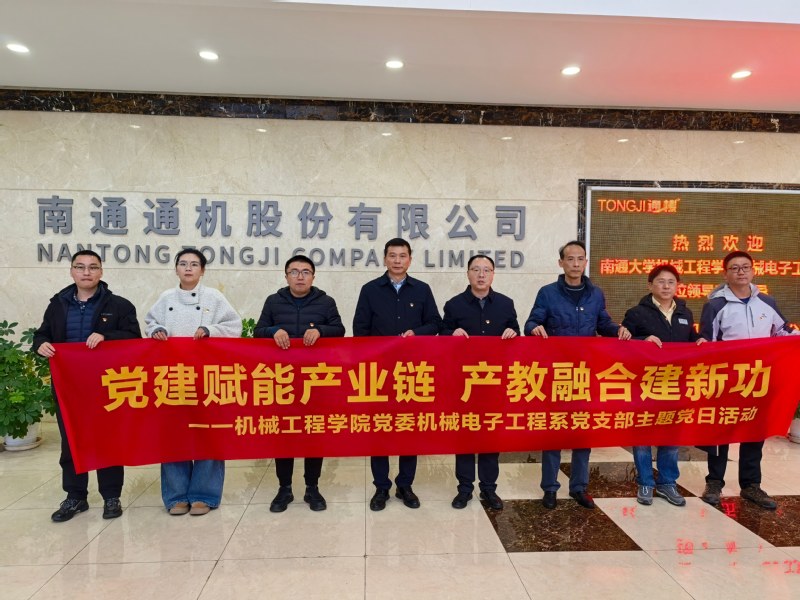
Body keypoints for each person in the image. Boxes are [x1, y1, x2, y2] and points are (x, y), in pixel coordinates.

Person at [32, 250, 141, 522]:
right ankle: (75, 496)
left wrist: (106, 336)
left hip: (108, 385)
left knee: (108, 439)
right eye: (80, 267)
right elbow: (42, 334)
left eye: (93, 267)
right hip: (69, 386)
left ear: (101, 272)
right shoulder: (58, 305)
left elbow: (134, 339)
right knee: (71, 440)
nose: (86, 272)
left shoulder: (120, 305)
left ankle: (111, 496)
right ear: (72, 271)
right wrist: (40, 344)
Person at [524, 240, 631, 510]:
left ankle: (579, 487)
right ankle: (550, 488)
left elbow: (603, 323)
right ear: (561, 263)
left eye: (580, 259)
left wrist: (618, 330)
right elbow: (531, 321)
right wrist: (534, 327)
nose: (575, 263)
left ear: (585, 262)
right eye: (570, 259)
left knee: (582, 431)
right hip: (557, 374)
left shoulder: (596, 294)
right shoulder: (547, 293)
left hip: (585, 373)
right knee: (554, 431)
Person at [145, 249, 242, 516]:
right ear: (176, 269)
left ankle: (204, 495)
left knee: (208, 433)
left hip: (207, 376)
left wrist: (212, 330)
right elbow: (150, 322)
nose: (188, 268)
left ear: (203, 270)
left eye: (194, 264)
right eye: (183, 264)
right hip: (173, 376)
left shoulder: (214, 297)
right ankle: (176, 496)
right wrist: (156, 330)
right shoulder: (166, 297)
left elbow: (234, 327)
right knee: (173, 435)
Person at [699, 250, 797, 510]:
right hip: (726, 379)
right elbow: (707, 342)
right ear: (725, 274)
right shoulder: (715, 305)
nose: (740, 272)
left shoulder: (767, 302)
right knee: (720, 429)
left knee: (754, 430)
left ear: (753, 271)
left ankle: (751, 484)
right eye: (734, 268)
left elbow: (783, 332)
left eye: (745, 267)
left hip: (758, 379)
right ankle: (714, 482)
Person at [353, 238, 442, 511]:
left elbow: (435, 323)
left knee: (408, 428)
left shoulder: (422, 290)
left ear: (410, 259)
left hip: (412, 372)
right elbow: (359, 329)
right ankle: (381, 487)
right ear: (384, 259)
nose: (397, 260)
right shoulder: (370, 290)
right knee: (379, 429)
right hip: (379, 372)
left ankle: (405, 485)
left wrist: (418, 333)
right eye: (392, 255)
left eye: (402, 256)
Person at [253, 255, 345, 512]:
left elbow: (339, 330)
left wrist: (321, 331)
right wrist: (273, 331)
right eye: (294, 272)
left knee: (313, 432)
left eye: (305, 272)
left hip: (315, 379)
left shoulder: (326, 302)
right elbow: (258, 332)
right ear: (286, 276)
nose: (300, 276)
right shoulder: (273, 301)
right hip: (282, 380)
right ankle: (284, 488)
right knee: (284, 434)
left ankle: (312, 487)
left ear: (313, 276)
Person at [621, 264, 705, 507]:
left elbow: (688, 338)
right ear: (650, 285)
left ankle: (668, 482)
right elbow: (622, 343)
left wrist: (699, 340)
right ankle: (645, 482)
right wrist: (642, 340)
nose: (666, 286)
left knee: (671, 434)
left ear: (677, 286)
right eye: (660, 281)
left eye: (671, 282)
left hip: (675, 385)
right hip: (644, 384)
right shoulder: (636, 313)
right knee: (643, 434)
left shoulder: (684, 313)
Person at [442, 254, 519, 511]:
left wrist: (513, 332)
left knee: (490, 437)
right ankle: (464, 489)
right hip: (464, 384)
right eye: (476, 269)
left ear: (493, 274)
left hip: (494, 383)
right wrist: (450, 333)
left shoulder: (506, 304)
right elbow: (441, 335)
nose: (481, 274)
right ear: (468, 274)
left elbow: (516, 334)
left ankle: (489, 489)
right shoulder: (454, 305)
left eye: (486, 270)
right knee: (465, 436)